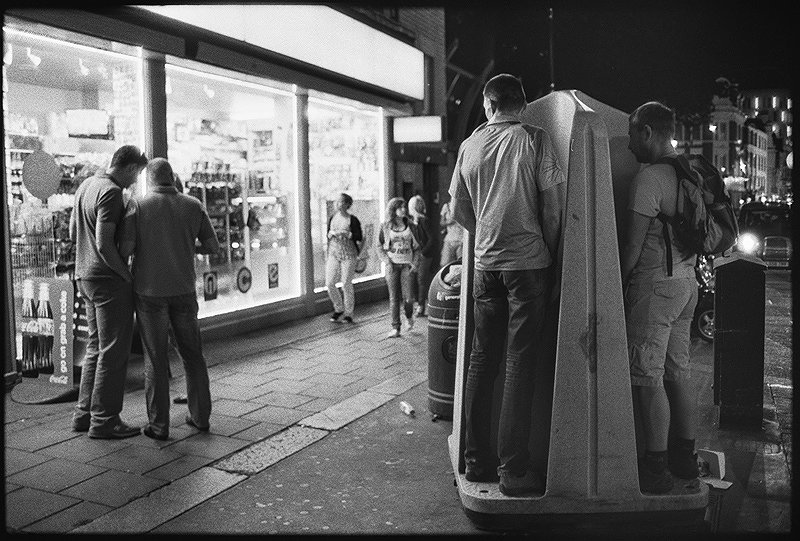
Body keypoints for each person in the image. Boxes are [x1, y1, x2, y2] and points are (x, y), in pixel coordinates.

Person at [449, 74, 565, 496]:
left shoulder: (470, 144)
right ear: (524, 103)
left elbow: (458, 210)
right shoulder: (534, 139)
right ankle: (513, 471)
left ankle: (475, 462)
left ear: (487, 104)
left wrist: (486, 234)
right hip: (528, 266)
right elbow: (552, 209)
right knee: (519, 362)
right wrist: (550, 256)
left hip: (485, 267)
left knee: (483, 359)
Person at [621, 101, 700, 494]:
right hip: (687, 286)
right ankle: (685, 459)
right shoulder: (690, 171)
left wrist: (615, 286)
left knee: (647, 379)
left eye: (633, 133)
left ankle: (655, 470)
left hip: (655, 288)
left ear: (648, 131)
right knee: (677, 373)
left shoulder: (650, 177)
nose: (630, 142)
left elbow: (632, 248)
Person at [118, 157, 220, 440]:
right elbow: (212, 246)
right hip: (184, 290)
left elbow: (126, 249)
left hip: (149, 293)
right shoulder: (193, 205)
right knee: (193, 356)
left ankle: (159, 425)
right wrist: (185, 243)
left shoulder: (137, 206)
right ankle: (200, 417)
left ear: (148, 179)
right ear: (172, 177)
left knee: (155, 358)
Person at [69, 144, 148, 439]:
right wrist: (125, 275)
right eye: (137, 174)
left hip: (84, 277)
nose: (136, 180)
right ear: (128, 168)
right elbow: (104, 243)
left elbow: (72, 233)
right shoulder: (112, 192)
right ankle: (105, 420)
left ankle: (84, 414)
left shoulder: (86, 186)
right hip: (107, 280)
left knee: (95, 347)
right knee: (114, 351)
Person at [378, 197, 421, 338]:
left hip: (407, 266)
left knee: (408, 298)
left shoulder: (411, 226)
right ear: (393, 209)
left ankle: (409, 317)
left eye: (404, 207)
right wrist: (387, 261)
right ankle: (396, 327)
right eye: (400, 207)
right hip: (392, 265)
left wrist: (414, 263)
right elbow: (379, 247)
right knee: (394, 298)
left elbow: (417, 248)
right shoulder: (385, 226)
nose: (404, 209)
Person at [325, 192, 363, 323]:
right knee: (329, 283)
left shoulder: (352, 220)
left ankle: (348, 313)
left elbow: (359, 236)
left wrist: (348, 234)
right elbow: (327, 234)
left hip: (349, 253)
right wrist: (331, 234)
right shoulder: (332, 218)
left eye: (341, 202)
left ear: (347, 204)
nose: (338, 204)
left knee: (346, 283)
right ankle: (338, 307)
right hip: (334, 252)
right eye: (337, 201)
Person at [407, 194, 435, 317]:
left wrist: (423, 252)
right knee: (412, 278)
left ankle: (421, 307)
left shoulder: (424, 220)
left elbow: (431, 239)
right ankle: (416, 304)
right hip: (414, 255)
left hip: (425, 254)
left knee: (421, 280)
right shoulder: (411, 222)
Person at [439, 198, 464, 267]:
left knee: (461, 265)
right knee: (445, 264)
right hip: (449, 239)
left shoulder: (464, 206)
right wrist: (449, 222)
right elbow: (441, 222)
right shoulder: (446, 206)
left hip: (462, 240)